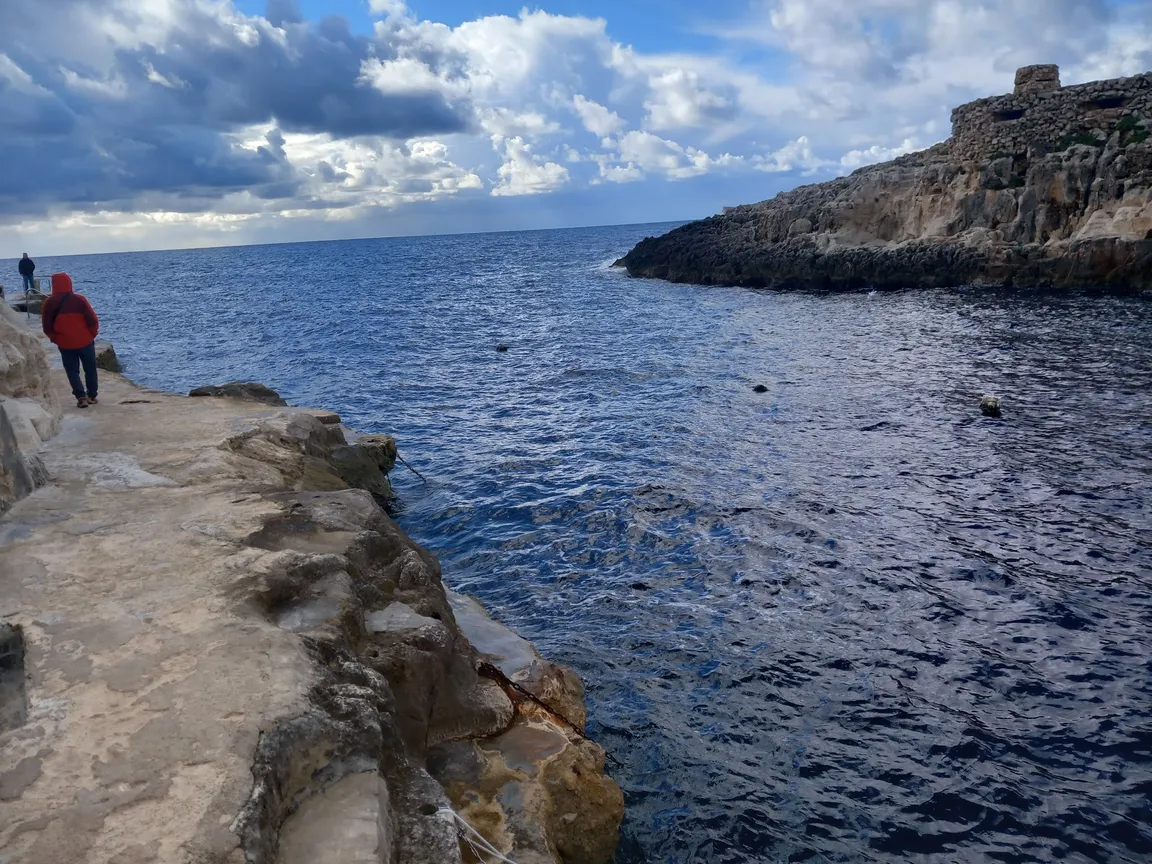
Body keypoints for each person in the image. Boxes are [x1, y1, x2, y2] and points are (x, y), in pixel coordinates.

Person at [41, 273, 100, 408]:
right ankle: (92, 395)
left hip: (65, 343)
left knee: (72, 371)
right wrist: (92, 334)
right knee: (90, 368)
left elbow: (46, 325)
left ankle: (81, 397)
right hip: (85, 340)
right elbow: (92, 319)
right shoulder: (79, 300)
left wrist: (56, 338)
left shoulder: (49, 303)